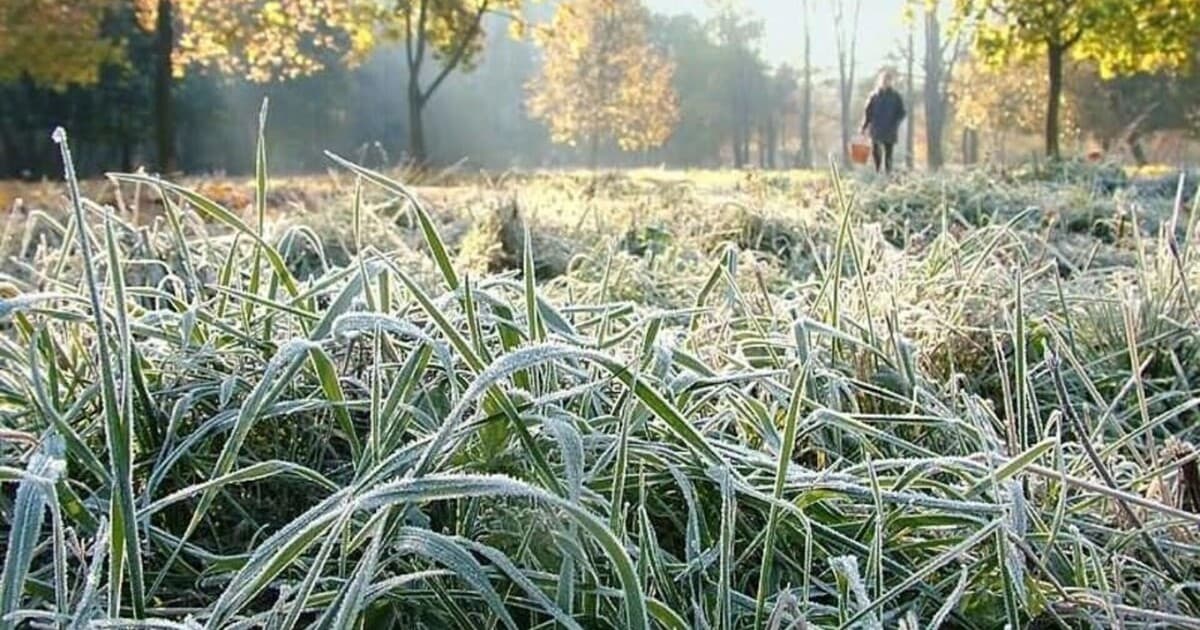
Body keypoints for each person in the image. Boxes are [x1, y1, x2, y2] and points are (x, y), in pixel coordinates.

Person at [860, 69, 906, 174]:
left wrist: (896, 122)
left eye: (888, 80)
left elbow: (902, 112)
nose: (886, 82)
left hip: (890, 128)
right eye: (884, 80)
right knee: (876, 151)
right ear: (880, 81)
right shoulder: (874, 96)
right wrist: (864, 126)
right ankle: (877, 171)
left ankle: (888, 173)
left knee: (888, 153)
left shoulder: (895, 96)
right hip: (876, 128)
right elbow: (868, 112)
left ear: (891, 82)